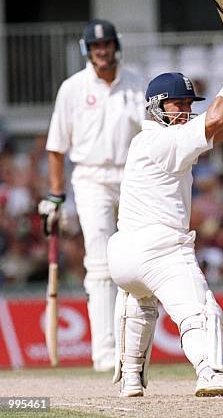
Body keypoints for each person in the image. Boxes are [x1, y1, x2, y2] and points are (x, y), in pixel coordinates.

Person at [106, 43, 223, 397]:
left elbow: (219, 129)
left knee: (140, 301)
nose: (184, 111)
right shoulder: (163, 140)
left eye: (188, 105)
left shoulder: (154, 142)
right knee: (199, 310)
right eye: (176, 104)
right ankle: (210, 371)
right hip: (160, 248)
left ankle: (131, 378)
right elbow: (215, 120)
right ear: (155, 107)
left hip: (123, 255)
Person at [38, 19, 146, 371]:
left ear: (116, 46)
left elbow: (153, 135)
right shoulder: (72, 88)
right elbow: (57, 146)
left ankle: (135, 349)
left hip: (131, 176)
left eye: (107, 45)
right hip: (90, 178)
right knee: (99, 263)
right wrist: (56, 195)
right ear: (88, 50)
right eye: (96, 46)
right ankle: (104, 353)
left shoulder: (136, 84)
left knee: (139, 259)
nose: (102, 51)